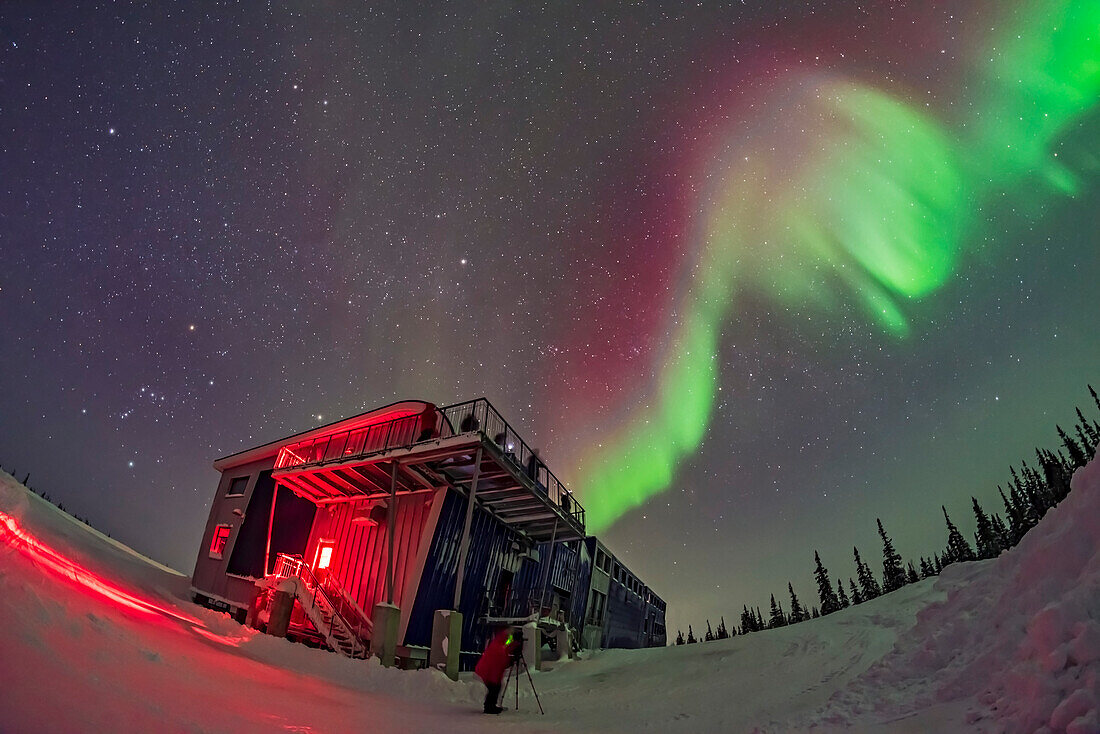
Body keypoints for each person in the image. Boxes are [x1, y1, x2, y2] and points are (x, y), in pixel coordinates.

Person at [474, 626, 521, 714]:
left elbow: (507, 646)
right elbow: (501, 662)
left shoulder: (499, 642)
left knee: (494, 688)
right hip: (488, 672)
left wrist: (515, 644)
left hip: (487, 670)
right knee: (494, 688)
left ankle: (490, 706)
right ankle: (489, 707)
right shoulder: (498, 648)